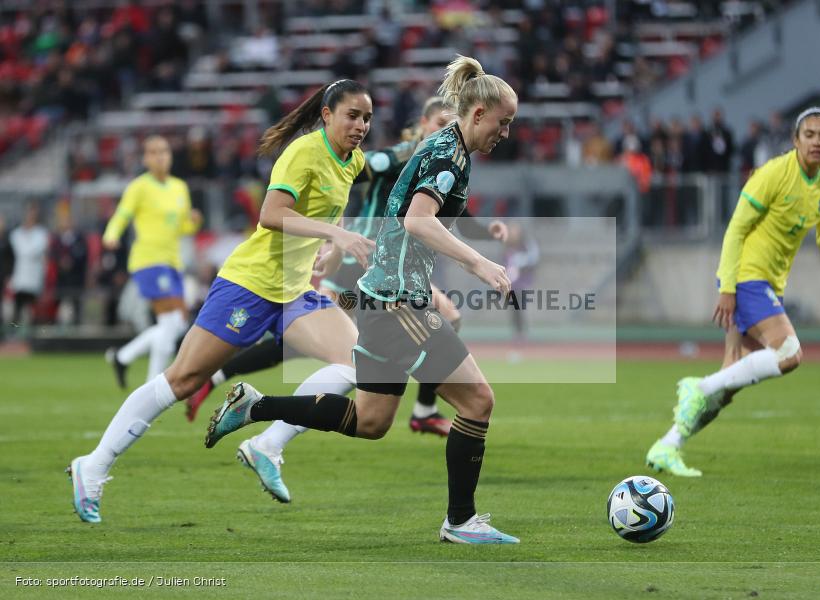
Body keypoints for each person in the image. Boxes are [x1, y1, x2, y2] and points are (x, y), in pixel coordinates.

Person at [205, 56, 521, 544]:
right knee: (478, 400)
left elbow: (430, 217)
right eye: (503, 121)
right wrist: (478, 263)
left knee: (371, 421)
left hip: (382, 296)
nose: (506, 132)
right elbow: (418, 220)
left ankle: (256, 406)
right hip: (398, 302)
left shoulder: (451, 149)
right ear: (478, 114)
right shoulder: (447, 155)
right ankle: (460, 521)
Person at [68, 79, 376, 523]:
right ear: (327, 115)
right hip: (250, 284)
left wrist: (331, 243)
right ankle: (93, 466)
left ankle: (267, 444)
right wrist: (335, 234)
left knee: (356, 361)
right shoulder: (303, 152)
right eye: (353, 115)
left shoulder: (353, 159)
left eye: (367, 118)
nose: (361, 125)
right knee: (183, 380)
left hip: (294, 291)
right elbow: (271, 215)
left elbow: (333, 205)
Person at [184, 97, 509, 438]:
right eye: (439, 123)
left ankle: (243, 402)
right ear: (423, 124)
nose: (445, 130)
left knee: (318, 349)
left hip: (385, 263)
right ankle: (259, 424)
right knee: (320, 344)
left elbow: (453, 210)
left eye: (449, 124)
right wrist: (331, 227)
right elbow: (350, 169)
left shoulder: (441, 161)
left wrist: (486, 231)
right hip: (366, 258)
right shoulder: (401, 156)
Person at [645, 107, 820, 477]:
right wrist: (727, 287)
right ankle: (698, 386)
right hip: (747, 277)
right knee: (789, 353)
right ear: (795, 140)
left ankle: (668, 445)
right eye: (810, 134)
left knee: (729, 383)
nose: (817, 141)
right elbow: (736, 229)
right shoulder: (773, 174)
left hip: (772, 284)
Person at [102, 136, 203, 387]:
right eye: (154, 152)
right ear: (146, 158)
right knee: (170, 322)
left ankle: (123, 357)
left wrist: (194, 222)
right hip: (149, 260)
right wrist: (111, 235)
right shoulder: (139, 187)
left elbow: (182, 228)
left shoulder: (179, 187)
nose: (160, 156)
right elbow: (122, 215)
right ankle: (154, 384)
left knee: (177, 323)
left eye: (164, 151)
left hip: (172, 262)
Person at [9, 202, 50, 334]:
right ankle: (13, 336)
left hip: (34, 279)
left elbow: (30, 250)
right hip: (19, 278)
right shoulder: (16, 234)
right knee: (17, 310)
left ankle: (32, 337)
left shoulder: (41, 234)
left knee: (33, 311)